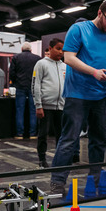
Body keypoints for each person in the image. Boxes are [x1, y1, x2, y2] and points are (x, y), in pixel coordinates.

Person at [50, 0, 106, 195]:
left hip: (102, 96)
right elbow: (69, 57)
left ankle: (96, 179)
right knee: (69, 139)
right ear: (99, 13)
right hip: (78, 95)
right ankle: (57, 181)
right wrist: (93, 72)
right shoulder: (79, 29)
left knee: (99, 139)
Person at [32, 38, 66, 169]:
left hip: (61, 106)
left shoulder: (65, 66)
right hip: (45, 106)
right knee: (43, 134)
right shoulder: (41, 64)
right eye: (58, 48)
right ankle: (42, 159)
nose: (61, 52)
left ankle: (59, 159)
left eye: (63, 49)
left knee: (61, 135)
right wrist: (38, 105)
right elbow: (35, 84)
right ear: (50, 48)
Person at [10, 42, 41, 139]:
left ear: (22, 49)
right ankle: (32, 133)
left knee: (20, 110)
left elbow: (12, 72)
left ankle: (20, 133)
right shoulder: (37, 58)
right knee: (33, 110)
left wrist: (14, 83)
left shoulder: (16, 57)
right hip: (33, 86)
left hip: (20, 86)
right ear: (31, 49)